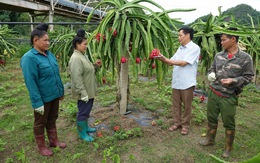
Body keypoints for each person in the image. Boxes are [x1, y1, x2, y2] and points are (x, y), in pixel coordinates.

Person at [199, 28, 254, 158]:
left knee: (228, 122)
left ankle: (228, 148)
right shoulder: (219, 56)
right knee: (211, 118)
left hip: (229, 96)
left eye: (224, 40)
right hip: (213, 93)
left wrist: (233, 80)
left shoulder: (245, 58)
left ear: (233, 39)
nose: (221, 42)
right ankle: (209, 139)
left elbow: (248, 77)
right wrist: (211, 74)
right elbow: (212, 68)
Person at [20, 23, 66, 156]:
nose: (48, 42)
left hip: (54, 95)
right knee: (40, 122)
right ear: (35, 40)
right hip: (42, 98)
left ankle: (53, 141)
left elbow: (56, 74)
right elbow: (31, 82)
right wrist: (37, 102)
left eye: (48, 40)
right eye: (45, 40)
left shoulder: (49, 55)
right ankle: (41, 146)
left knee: (52, 118)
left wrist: (60, 91)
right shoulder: (30, 58)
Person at [156, 26, 200, 135]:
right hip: (177, 81)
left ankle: (185, 125)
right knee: (176, 104)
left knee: (187, 105)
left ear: (188, 35)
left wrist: (166, 60)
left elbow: (183, 63)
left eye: (180, 35)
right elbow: (172, 60)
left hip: (187, 82)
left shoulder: (194, 48)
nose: (178, 38)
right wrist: (162, 58)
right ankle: (177, 122)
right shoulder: (180, 48)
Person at [68, 29, 100, 142]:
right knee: (83, 112)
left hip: (88, 90)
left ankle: (86, 127)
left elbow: (86, 68)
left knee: (87, 110)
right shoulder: (76, 58)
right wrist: (83, 92)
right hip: (84, 92)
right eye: (85, 44)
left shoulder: (81, 55)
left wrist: (95, 65)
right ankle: (82, 133)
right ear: (77, 44)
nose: (86, 46)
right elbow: (77, 77)